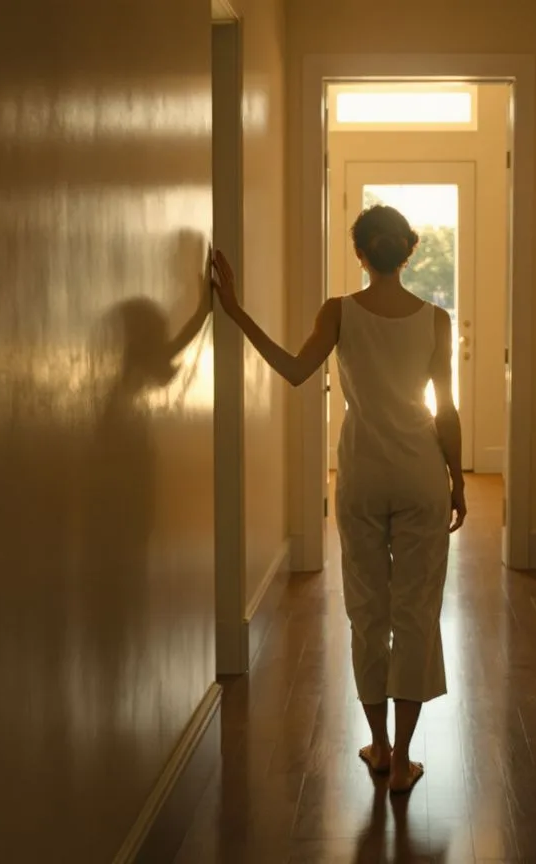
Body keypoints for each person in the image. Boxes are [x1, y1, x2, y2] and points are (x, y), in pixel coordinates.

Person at [209, 204, 467, 794]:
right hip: (421, 475)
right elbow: (446, 409)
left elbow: (297, 371)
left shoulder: (340, 312)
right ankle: (403, 760)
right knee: (417, 613)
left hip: (362, 477)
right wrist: (456, 479)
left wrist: (237, 312)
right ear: (408, 251)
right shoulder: (437, 320)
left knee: (368, 612)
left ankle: (377, 745)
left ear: (360, 253)